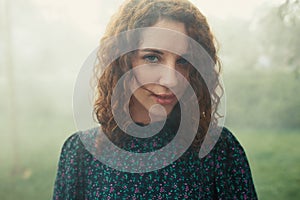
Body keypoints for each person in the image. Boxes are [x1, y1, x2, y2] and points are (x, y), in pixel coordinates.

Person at [53, 0, 258, 199]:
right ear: (123, 62)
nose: (171, 80)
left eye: (183, 61)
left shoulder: (219, 149)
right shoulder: (80, 152)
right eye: (152, 58)